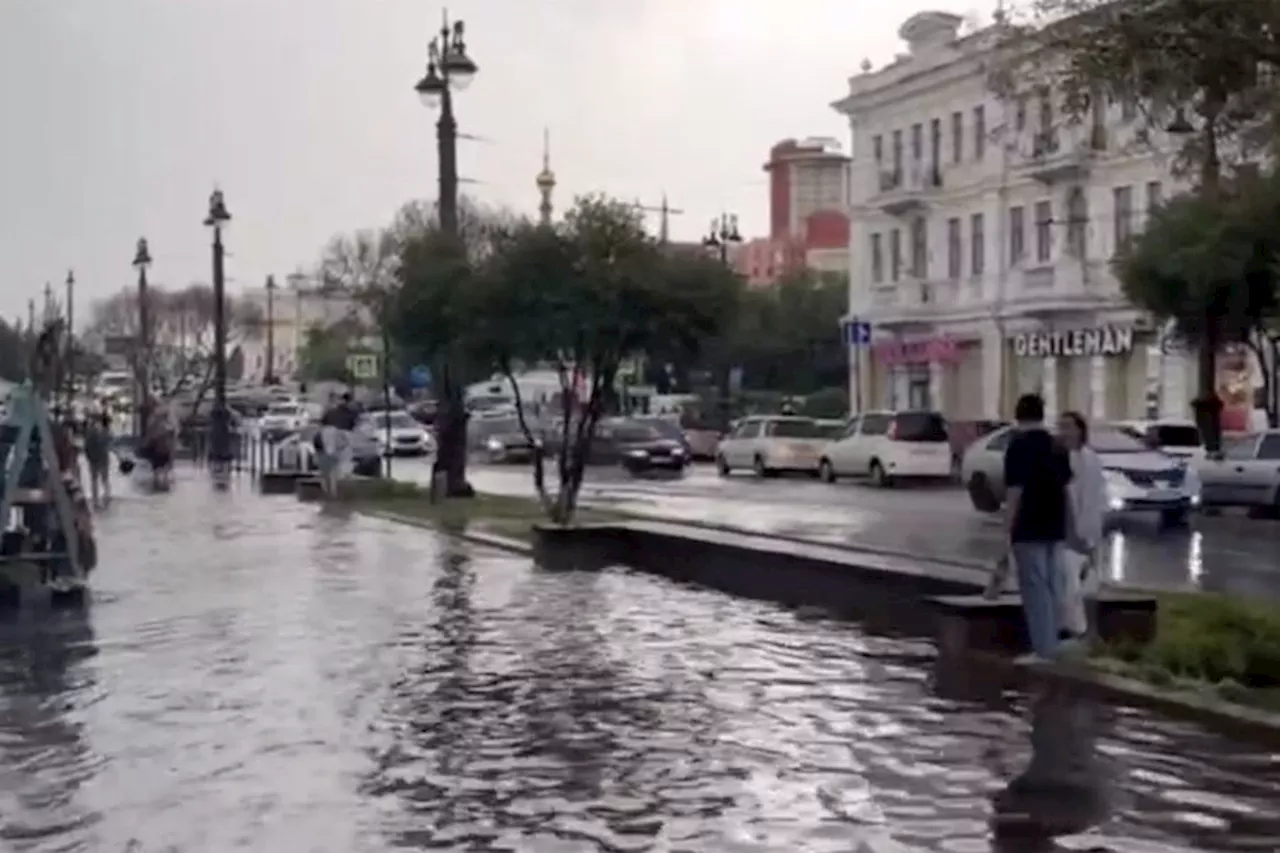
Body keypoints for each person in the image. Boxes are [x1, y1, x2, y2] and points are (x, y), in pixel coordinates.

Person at [1003, 393, 1078, 661]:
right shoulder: (1057, 446)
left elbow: (1015, 493)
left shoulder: (1017, 446)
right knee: (1053, 585)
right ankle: (1055, 643)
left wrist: (1007, 531)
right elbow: (1068, 490)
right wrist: (1072, 526)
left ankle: (1044, 650)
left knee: (1035, 590)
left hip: (1028, 527)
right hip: (1054, 526)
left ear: (1018, 415)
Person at [1057, 412, 1107, 640]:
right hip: (1063, 531)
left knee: (1086, 583)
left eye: (1069, 426)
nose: (1064, 431)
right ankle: (1072, 629)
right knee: (1068, 583)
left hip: (1086, 531)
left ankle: (1086, 631)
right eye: (1061, 427)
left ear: (1080, 430)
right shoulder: (1058, 457)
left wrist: (1089, 534)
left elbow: (1094, 498)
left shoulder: (1090, 459)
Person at [83, 411, 113, 508]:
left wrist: (88, 456)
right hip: (99, 459)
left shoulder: (91, 431)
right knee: (101, 479)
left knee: (97, 480)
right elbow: (109, 443)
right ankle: (103, 497)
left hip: (96, 459)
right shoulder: (105, 431)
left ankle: (99, 499)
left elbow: (86, 446)